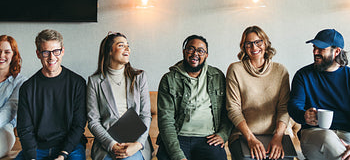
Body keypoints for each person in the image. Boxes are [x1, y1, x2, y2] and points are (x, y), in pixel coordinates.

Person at [288, 29, 350, 160]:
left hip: (349, 135)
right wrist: (303, 115)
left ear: (337, 51)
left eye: (321, 49)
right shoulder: (303, 75)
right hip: (314, 134)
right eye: (314, 47)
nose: (315, 52)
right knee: (328, 138)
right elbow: (294, 106)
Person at [156, 35, 232, 160]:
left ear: (206, 55)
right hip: (178, 136)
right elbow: (166, 121)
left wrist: (223, 135)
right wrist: (178, 156)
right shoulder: (169, 79)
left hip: (208, 138)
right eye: (190, 49)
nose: (195, 53)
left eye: (200, 50)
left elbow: (228, 110)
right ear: (184, 52)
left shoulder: (217, 76)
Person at [16, 29, 87, 160]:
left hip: (70, 147)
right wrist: (31, 157)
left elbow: (78, 124)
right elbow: (25, 129)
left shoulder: (78, 83)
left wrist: (63, 154)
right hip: (38, 148)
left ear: (63, 51)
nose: (51, 57)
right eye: (45, 52)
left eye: (56, 51)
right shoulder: (27, 88)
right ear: (38, 54)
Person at [226, 26, 290, 160]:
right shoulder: (235, 70)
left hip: (275, 135)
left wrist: (278, 137)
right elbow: (233, 109)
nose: (254, 47)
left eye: (258, 42)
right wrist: (250, 139)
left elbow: (284, 108)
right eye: (248, 43)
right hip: (243, 135)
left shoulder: (281, 71)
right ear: (243, 47)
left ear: (265, 43)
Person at [87, 32, 152, 160]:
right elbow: (93, 121)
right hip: (106, 144)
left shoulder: (139, 77)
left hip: (136, 142)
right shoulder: (94, 82)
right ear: (109, 51)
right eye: (121, 45)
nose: (127, 49)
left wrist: (138, 144)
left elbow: (145, 115)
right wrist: (112, 145)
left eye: (128, 45)